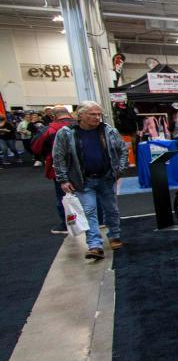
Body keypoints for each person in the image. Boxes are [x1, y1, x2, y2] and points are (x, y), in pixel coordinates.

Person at [52, 101, 127, 260]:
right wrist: (63, 180)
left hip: (107, 177)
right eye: (92, 114)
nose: (97, 117)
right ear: (80, 115)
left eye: (99, 114)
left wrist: (119, 170)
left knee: (111, 209)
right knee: (89, 211)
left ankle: (114, 235)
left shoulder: (109, 131)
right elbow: (59, 158)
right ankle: (94, 245)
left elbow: (122, 150)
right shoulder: (66, 133)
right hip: (83, 180)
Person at [32, 107, 77, 233]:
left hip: (58, 167)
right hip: (84, 166)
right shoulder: (81, 125)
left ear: (53, 116)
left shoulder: (49, 129)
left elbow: (36, 148)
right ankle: (98, 220)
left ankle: (68, 224)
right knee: (90, 192)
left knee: (64, 196)